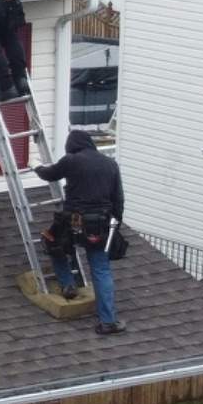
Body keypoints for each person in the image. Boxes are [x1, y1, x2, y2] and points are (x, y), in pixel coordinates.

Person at [37, 128, 126, 335]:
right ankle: (108, 322)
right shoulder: (110, 165)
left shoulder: (72, 161)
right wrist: (116, 224)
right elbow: (118, 200)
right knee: (101, 270)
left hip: (74, 220)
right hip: (101, 224)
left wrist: (36, 167)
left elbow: (50, 174)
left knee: (54, 244)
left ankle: (67, 284)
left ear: (72, 146)